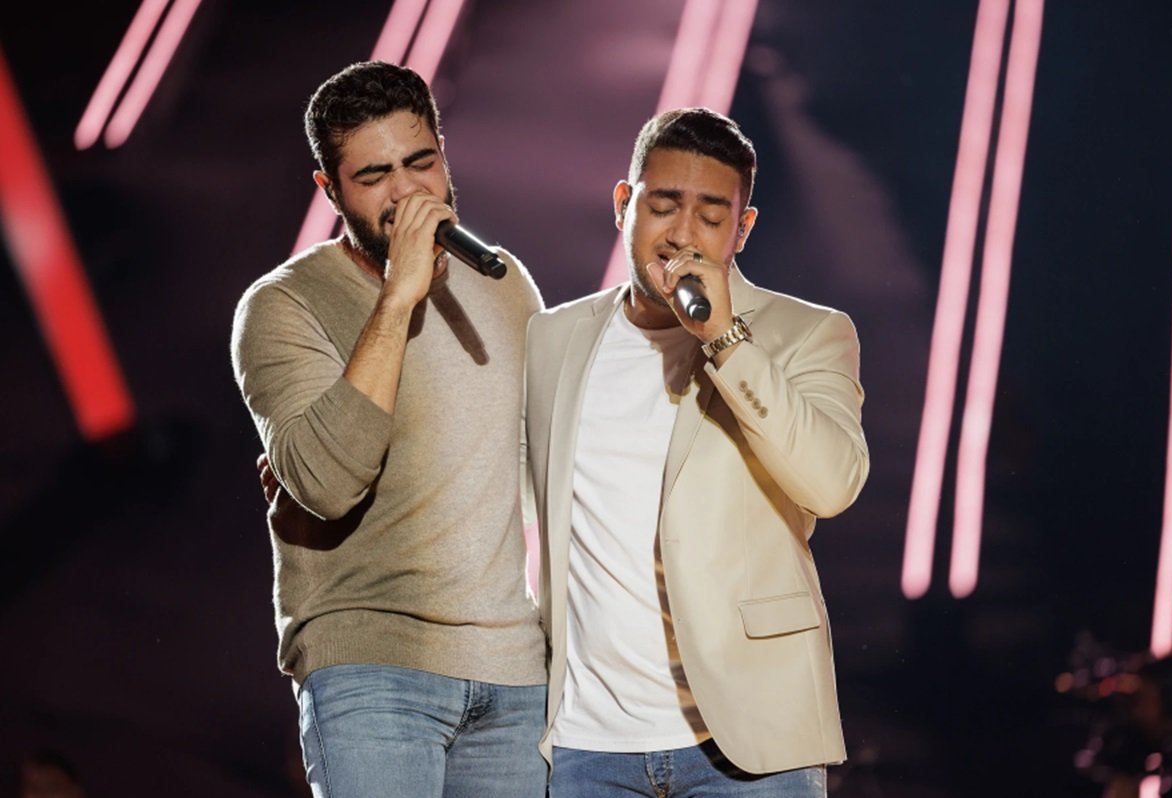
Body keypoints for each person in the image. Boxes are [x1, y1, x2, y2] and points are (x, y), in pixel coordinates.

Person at [523, 107, 869, 797]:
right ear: (624, 204)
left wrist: (725, 340)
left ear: (742, 228)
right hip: (590, 744)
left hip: (749, 747)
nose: (681, 234)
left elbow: (832, 485)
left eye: (711, 216)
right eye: (663, 206)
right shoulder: (552, 340)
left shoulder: (808, 333)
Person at [230, 61, 547, 798]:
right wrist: (399, 297)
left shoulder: (504, 284)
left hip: (513, 675)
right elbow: (331, 483)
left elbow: (548, 464)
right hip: (373, 669)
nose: (408, 193)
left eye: (421, 162)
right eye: (375, 175)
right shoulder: (283, 307)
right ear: (330, 190)